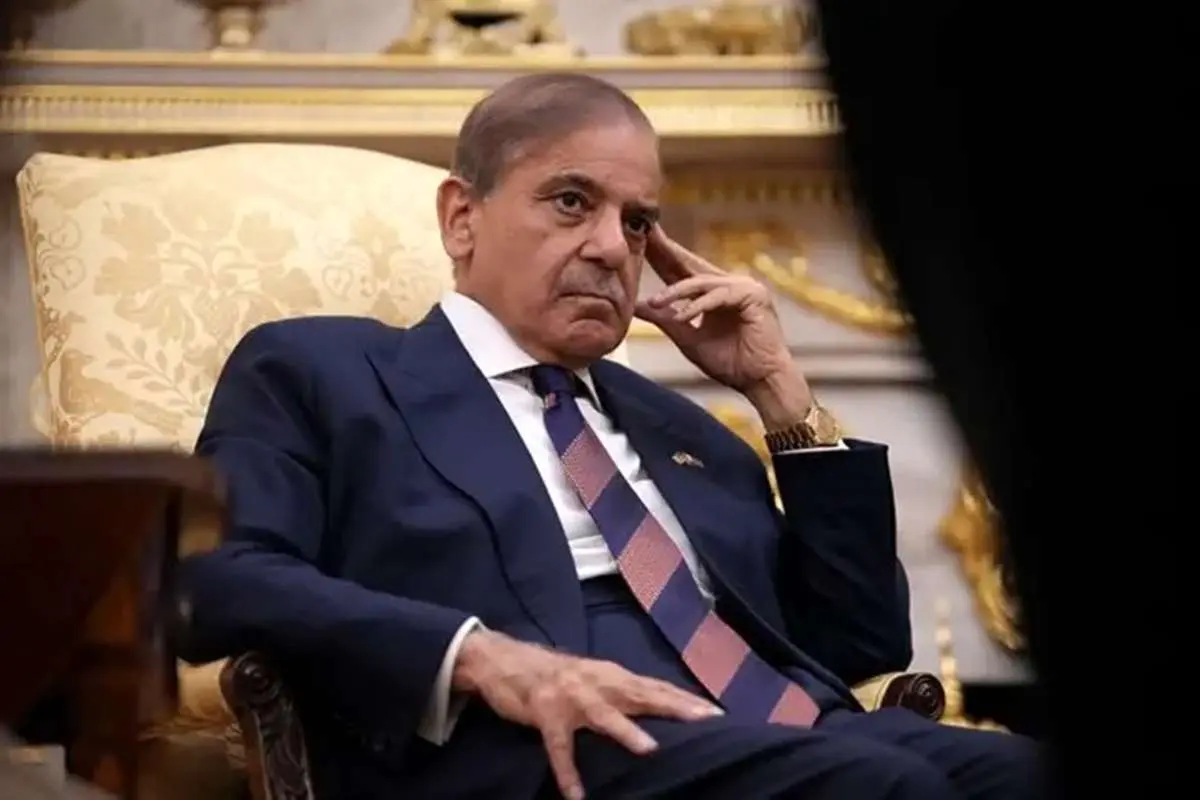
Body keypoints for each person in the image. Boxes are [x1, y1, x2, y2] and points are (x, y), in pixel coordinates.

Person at [177, 73, 1043, 800]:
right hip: (525, 745)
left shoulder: (682, 428)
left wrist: (780, 394)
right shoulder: (323, 371)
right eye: (571, 202)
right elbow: (215, 578)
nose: (610, 248)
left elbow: (858, 646)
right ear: (461, 218)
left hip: (778, 733)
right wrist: (477, 655)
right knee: (878, 787)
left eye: (636, 222)